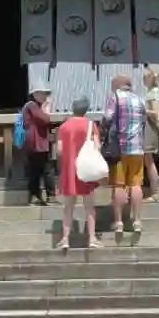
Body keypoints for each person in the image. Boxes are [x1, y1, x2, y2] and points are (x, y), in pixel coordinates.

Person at [102, 71, 148, 242]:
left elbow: (107, 118)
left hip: (119, 149)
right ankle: (137, 220)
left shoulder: (115, 97)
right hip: (137, 148)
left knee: (119, 185)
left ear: (117, 85)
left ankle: (119, 221)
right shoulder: (139, 99)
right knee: (136, 185)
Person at [55, 96, 104, 249]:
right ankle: (92, 238)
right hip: (86, 169)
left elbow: (59, 150)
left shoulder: (64, 126)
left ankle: (65, 239)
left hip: (70, 169)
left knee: (68, 207)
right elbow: (97, 146)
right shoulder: (90, 124)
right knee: (89, 207)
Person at [20, 86, 54, 205]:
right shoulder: (32, 105)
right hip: (36, 143)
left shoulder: (36, 106)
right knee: (39, 170)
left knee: (41, 169)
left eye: (46, 94)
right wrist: (47, 109)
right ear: (35, 94)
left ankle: (43, 195)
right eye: (43, 94)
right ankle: (41, 195)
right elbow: (44, 119)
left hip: (40, 142)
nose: (45, 97)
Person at [141, 64, 159, 201]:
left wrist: (142, 110)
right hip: (149, 128)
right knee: (148, 160)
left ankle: (155, 192)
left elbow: (154, 113)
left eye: (145, 77)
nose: (143, 79)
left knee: (149, 161)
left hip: (149, 128)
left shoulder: (153, 93)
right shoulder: (153, 92)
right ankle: (153, 191)